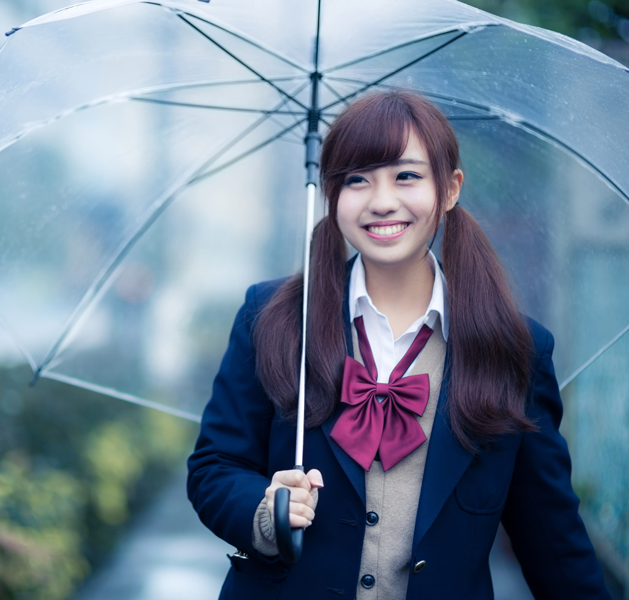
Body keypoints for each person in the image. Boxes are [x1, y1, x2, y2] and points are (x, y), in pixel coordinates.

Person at [186, 90, 610, 600]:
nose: (382, 200)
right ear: (331, 194)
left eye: (406, 176)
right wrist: (265, 508)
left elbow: (552, 539)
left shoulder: (514, 349)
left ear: (450, 188)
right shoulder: (275, 317)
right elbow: (214, 468)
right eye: (356, 179)